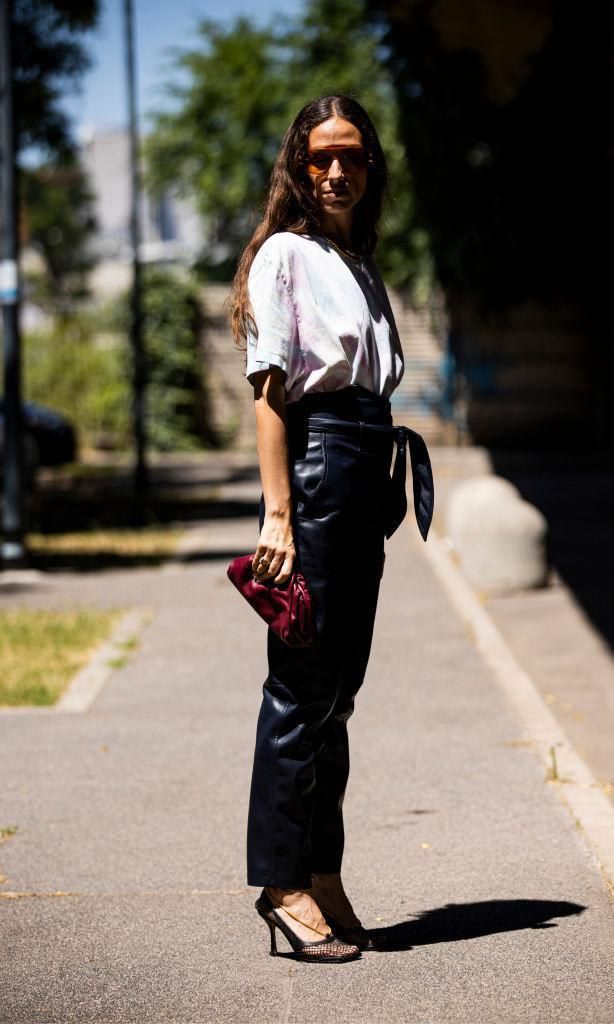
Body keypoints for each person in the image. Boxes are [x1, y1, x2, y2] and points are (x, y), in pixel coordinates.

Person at [229, 94, 434, 963]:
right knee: (300, 689)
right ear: (298, 167)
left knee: (337, 697)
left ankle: (322, 870)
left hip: (362, 476)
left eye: (352, 156)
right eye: (321, 158)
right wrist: (278, 512)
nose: (338, 171)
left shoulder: (355, 260)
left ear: (370, 166)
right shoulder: (285, 255)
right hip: (316, 477)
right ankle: (280, 883)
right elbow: (271, 391)